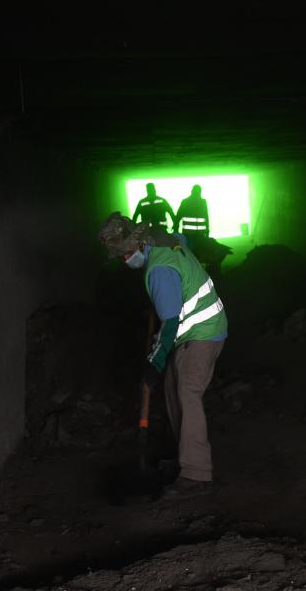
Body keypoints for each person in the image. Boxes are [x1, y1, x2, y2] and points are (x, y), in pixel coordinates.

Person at [98, 212, 227, 497]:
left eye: (124, 256)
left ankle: (196, 473)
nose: (124, 262)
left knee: (187, 394)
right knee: (172, 390)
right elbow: (185, 238)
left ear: (135, 247)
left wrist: (153, 364)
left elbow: (169, 326)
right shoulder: (165, 240)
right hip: (200, 327)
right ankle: (184, 458)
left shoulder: (158, 271)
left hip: (201, 333)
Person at [173, 185, 227, 277]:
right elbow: (206, 216)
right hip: (197, 234)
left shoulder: (186, 201)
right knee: (197, 252)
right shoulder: (202, 202)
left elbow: (179, 215)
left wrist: (176, 228)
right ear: (198, 192)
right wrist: (207, 229)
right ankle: (196, 271)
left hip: (189, 233)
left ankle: (192, 270)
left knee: (191, 252)